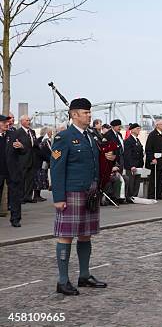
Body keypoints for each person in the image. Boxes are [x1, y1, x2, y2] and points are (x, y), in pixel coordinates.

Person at [51, 97, 107, 296]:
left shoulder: (90, 136)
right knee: (66, 236)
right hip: (71, 192)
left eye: (90, 112)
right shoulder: (63, 137)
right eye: (85, 113)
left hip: (90, 191)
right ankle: (63, 280)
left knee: (86, 234)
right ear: (74, 115)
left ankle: (84, 275)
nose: (89, 115)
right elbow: (56, 169)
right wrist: (58, 197)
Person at [15, 115, 37, 203]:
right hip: (22, 159)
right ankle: (21, 197)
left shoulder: (32, 131)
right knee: (22, 179)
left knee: (30, 179)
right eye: (27, 120)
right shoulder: (18, 132)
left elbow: (34, 145)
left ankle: (28, 197)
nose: (29, 122)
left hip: (32, 159)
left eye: (29, 120)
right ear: (22, 122)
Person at [145, 119, 162, 200]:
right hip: (156, 161)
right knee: (154, 178)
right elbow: (148, 149)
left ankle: (159, 193)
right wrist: (152, 158)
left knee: (161, 178)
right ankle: (152, 195)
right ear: (157, 125)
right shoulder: (152, 135)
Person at [123, 123, 144, 200]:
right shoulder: (128, 141)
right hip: (132, 166)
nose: (139, 130)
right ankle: (130, 197)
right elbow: (127, 155)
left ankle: (135, 196)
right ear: (132, 130)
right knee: (131, 182)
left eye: (139, 128)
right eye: (137, 128)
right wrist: (131, 165)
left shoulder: (137, 140)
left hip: (138, 165)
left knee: (137, 182)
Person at [32, 127, 52, 202]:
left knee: (42, 179)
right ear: (46, 133)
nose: (51, 134)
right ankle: (36, 195)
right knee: (38, 179)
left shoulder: (47, 141)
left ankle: (39, 195)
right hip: (39, 163)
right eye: (50, 132)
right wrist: (49, 158)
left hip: (44, 163)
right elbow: (41, 151)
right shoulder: (40, 140)